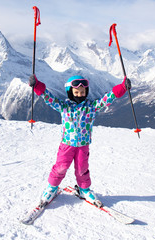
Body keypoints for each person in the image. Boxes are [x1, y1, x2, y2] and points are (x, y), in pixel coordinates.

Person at [29, 74, 131, 207]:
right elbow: (49, 98)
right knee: (61, 167)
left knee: (82, 169)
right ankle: (52, 188)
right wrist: (37, 86)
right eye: (76, 92)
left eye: (82, 92)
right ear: (70, 93)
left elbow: (107, 98)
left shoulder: (91, 107)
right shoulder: (64, 106)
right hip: (67, 144)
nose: (79, 95)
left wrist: (123, 87)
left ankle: (84, 190)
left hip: (83, 145)